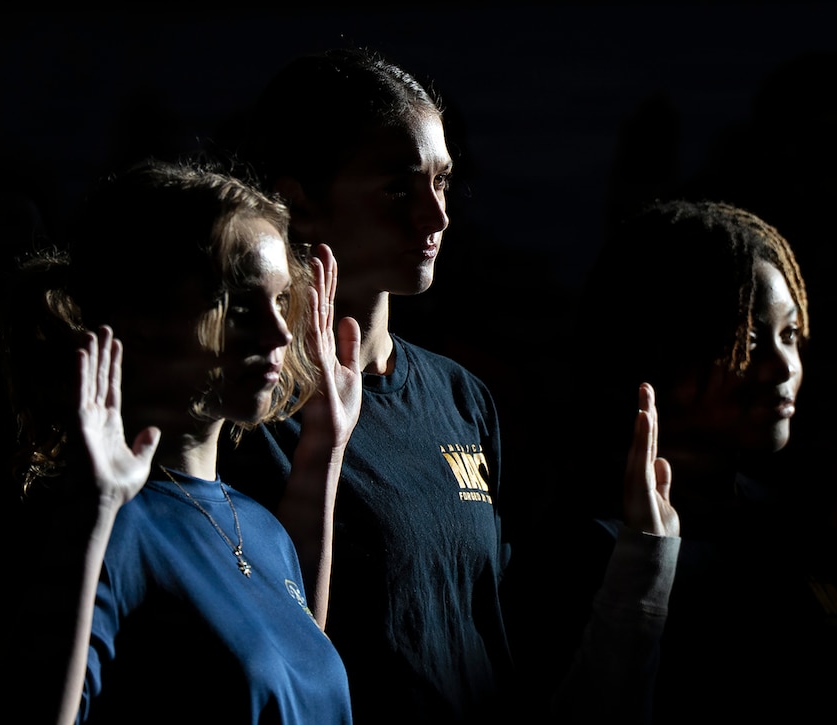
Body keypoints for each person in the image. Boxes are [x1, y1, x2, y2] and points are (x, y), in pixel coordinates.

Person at [214, 46, 681, 723]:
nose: (435, 216)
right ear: (300, 204)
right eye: (399, 187)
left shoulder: (461, 396)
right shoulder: (257, 410)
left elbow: (492, 637)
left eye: (442, 181)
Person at [0, 157, 362, 724]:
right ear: (141, 317)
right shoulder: (107, 527)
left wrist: (326, 447)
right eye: (239, 305)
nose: (280, 332)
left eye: (281, 301)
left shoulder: (263, 529)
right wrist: (94, 516)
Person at [529, 199, 837, 723]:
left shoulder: (795, 525)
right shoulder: (590, 545)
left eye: (788, 335)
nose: (783, 366)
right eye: (747, 340)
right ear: (655, 347)